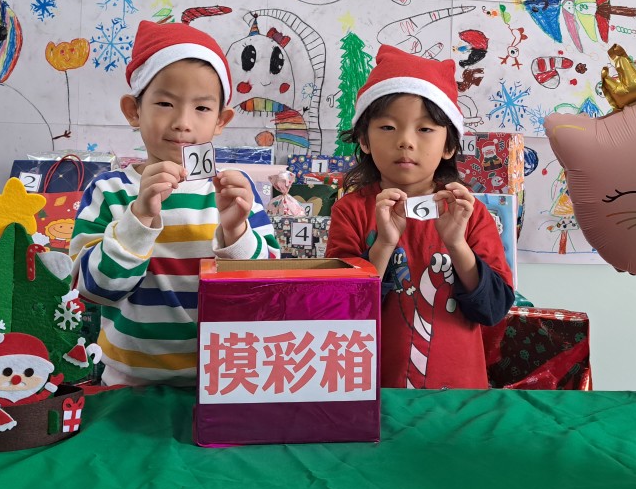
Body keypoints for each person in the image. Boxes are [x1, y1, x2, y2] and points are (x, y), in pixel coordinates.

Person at [69, 21, 280, 386]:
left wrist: (235, 231)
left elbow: (267, 289)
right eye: (165, 103)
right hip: (129, 383)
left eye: (202, 108)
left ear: (221, 120)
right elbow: (92, 289)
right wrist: (139, 218)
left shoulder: (235, 192)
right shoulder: (110, 190)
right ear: (134, 111)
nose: (183, 123)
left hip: (226, 379)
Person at [326, 45, 514, 390]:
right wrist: (384, 244)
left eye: (425, 129)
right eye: (387, 127)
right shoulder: (350, 211)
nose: (405, 142)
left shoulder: (470, 214)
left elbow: (493, 309)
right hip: (371, 390)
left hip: (459, 397)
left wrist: (456, 245)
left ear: (449, 146)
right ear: (364, 139)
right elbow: (340, 311)